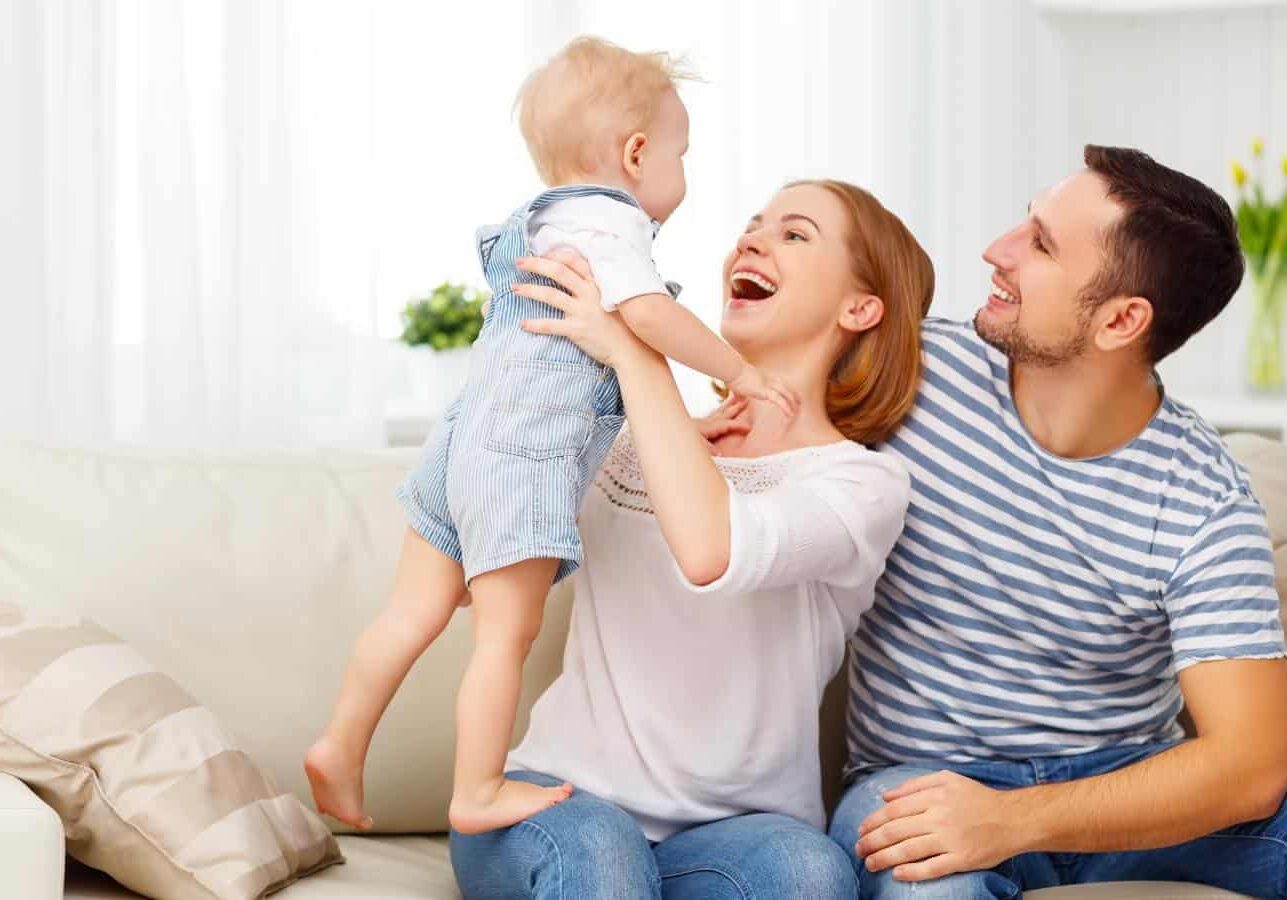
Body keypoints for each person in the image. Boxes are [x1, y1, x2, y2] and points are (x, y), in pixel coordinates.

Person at [304, 36, 796, 836]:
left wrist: (691, 424)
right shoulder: (612, 222)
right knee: (506, 633)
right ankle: (479, 789)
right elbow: (645, 321)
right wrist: (737, 373)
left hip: (462, 446)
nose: (682, 171)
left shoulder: (543, 222)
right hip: (519, 461)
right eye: (681, 152)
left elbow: (597, 368)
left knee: (409, 615)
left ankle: (340, 741)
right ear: (636, 154)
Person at [449, 177, 934, 898]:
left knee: (806, 871)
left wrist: (633, 353)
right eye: (752, 224)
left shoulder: (860, 486)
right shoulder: (617, 436)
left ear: (859, 308)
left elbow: (713, 551)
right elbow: (483, 518)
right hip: (561, 800)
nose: (752, 239)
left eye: (793, 234)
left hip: (734, 836)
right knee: (601, 857)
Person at [829, 145, 1287, 898]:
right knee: (926, 887)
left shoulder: (1203, 501)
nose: (995, 250)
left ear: (1119, 320)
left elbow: (1249, 765)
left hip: (1125, 790)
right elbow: (753, 373)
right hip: (922, 779)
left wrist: (1014, 820)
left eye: (1039, 243)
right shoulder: (905, 373)